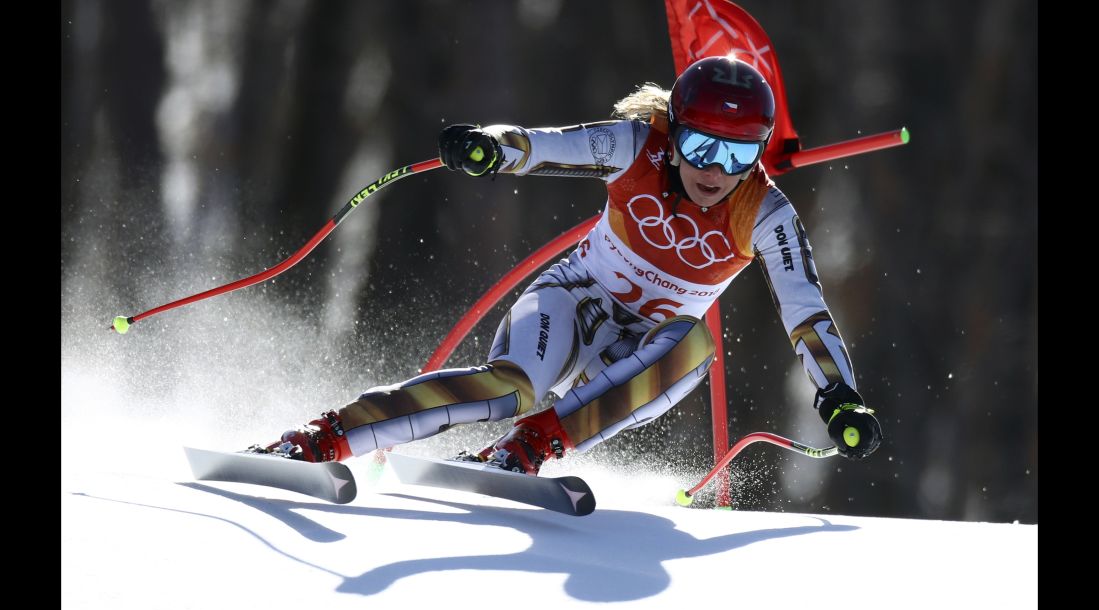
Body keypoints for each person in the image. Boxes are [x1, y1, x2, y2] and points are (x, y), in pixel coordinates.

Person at [250, 55, 882, 474]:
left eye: (737, 153)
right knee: (510, 389)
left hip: (640, 354)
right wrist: (490, 148)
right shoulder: (637, 146)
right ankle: (320, 439)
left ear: (759, 155)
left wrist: (839, 396)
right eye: (699, 144)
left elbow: (806, 312)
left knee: (693, 345)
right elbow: (546, 144)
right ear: (674, 128)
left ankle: (523, 452)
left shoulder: (766, 213)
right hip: (573, 303)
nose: (714, 169)